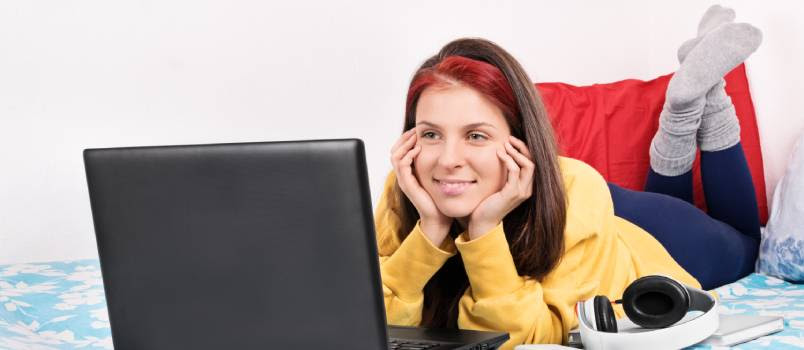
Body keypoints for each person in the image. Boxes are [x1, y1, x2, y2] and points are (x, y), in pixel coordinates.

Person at [374, 5, 762, 348]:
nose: (447, 160)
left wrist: (484, 229)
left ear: (520, 141)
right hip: (572, 215)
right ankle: (685, 105)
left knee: (746, 244)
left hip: (609, 227)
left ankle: (701, 102)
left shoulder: (576, 190)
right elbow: (375, 322)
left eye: (475, 135)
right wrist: (429, 231)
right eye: (430, 134)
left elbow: (522, 338)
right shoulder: (411, 187)